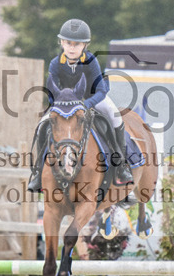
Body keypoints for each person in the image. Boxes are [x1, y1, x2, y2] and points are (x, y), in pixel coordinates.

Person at [27, 18, 133, 193]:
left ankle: (121, 165)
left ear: (85, 45)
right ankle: (38, 172)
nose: (72, 48)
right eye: (68, 43)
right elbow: (52, 92)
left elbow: (100, 90)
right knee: (41, 126)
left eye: (77, 44)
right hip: (64, 104)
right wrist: (61, 107)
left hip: (93, 99)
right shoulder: (55, 63)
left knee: (115, 116)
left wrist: (85, 104)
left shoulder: (91, 61)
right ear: (61, 42)